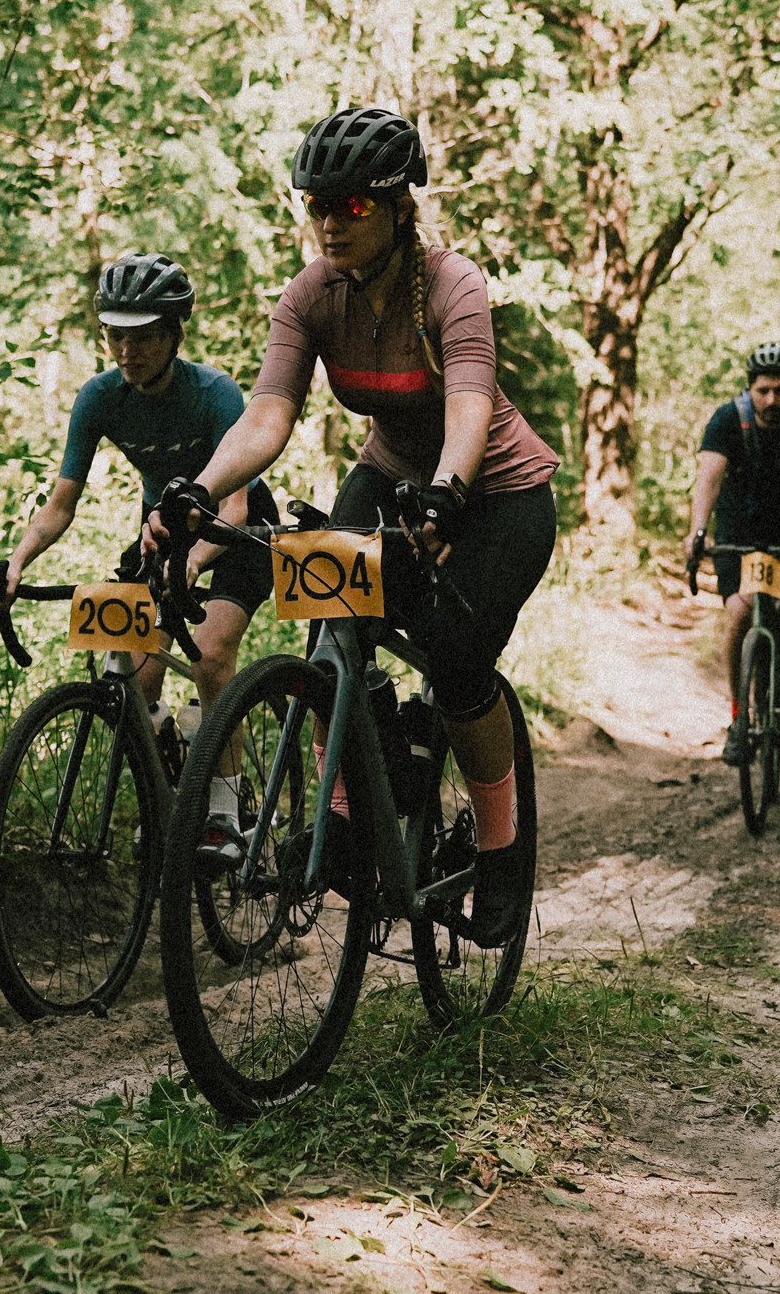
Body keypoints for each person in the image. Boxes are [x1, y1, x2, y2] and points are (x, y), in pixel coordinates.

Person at [152, 107, 558, 945]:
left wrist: (448, 490)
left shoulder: (453, 283)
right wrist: (197, 488)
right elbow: (268, 415)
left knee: (455, 657)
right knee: (328, 616)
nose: (331, 223)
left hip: (498, 493)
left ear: (398, 205)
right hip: (389, 477)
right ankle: (352, 808)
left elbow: (470, 404)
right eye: (317, 206)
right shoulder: (310, 294)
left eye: (353, 207)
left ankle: (501, 849)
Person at [0, 252, 277, 851]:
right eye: (116, 335)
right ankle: (176, 778)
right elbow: (60, 505)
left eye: (142, 337)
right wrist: (15, 563)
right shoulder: (100, 398)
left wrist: (191, 566)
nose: (126, 350)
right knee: (133, 676)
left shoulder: (215, 392)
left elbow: (237, 509)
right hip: (163, 532)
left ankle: (226, 807)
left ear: (174, 335)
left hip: (235, 529)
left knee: (211, 653)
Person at [684, 341, 780, 755]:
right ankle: (738, 718)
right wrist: (698, 530)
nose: (771, 400)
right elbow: (708, 480)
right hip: (742, 521)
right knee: (739, 612)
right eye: (763, 391)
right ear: (749, 388)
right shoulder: (727, 420)